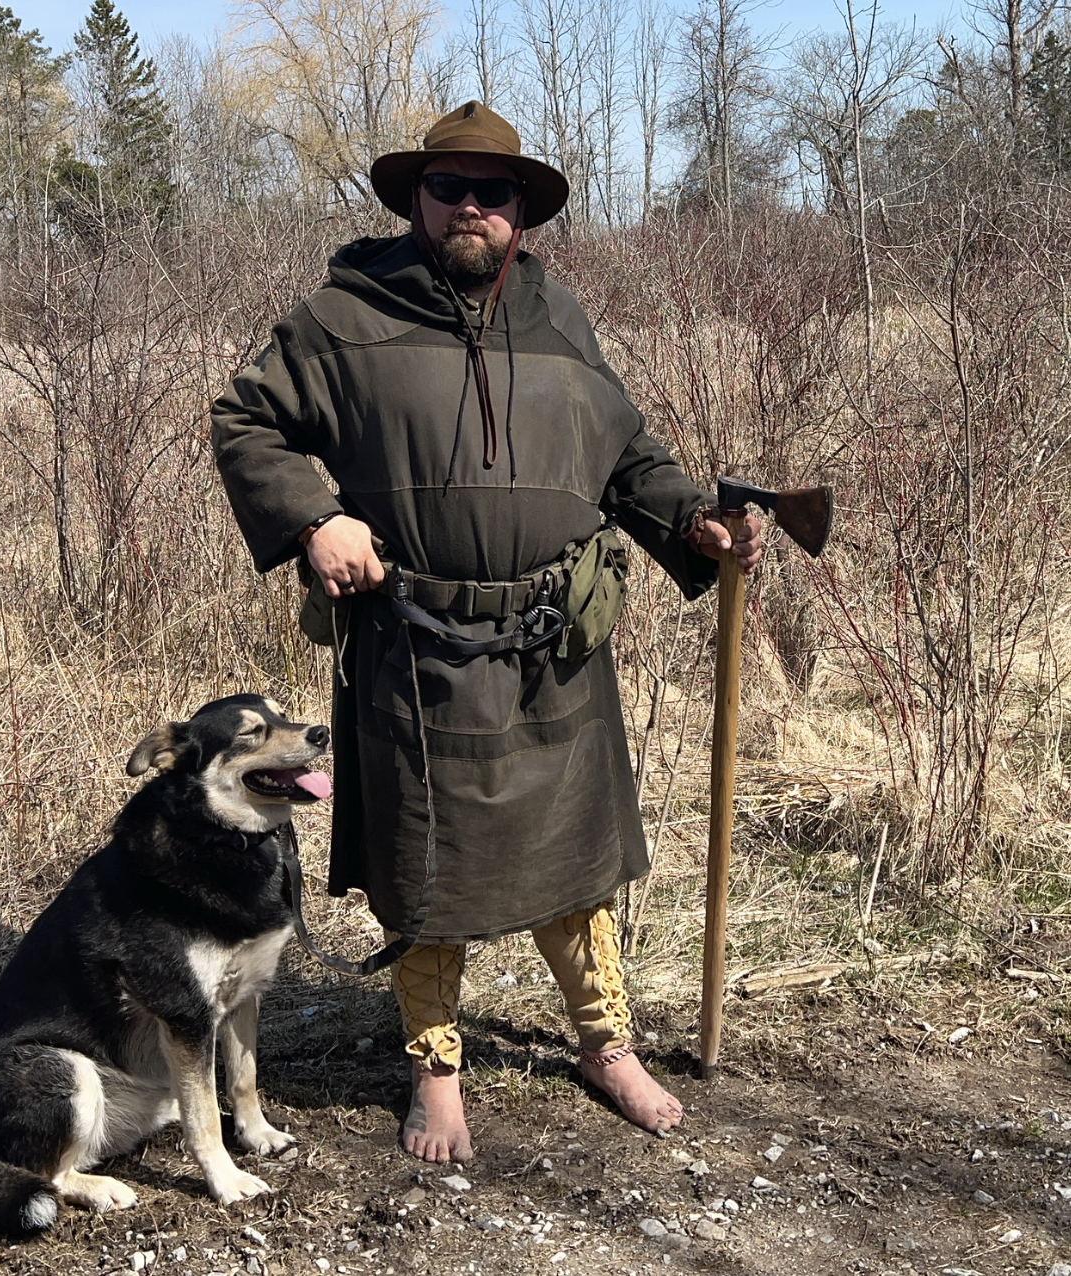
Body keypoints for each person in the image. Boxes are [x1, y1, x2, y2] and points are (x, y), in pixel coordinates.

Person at [211, 101, 761, 1164]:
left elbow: (623, 450)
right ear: (413, 198)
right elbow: (246, 420)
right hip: (414, 648)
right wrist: (314, 517)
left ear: (524, 212)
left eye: (492, 192)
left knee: (576, 868)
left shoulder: (557, 316)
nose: (470, 207)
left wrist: (688, 519)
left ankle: (606, 1047)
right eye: (449, 188)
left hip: (552, 644)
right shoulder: (343, 314)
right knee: (427, 875)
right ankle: (434, 1070)